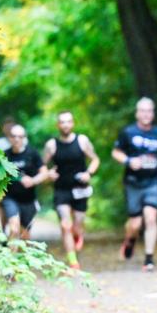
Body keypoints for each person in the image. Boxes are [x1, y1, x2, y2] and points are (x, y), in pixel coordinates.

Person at [111, 97, 157, 271]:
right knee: (135, 224)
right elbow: (116, 152)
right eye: (143, 111)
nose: (146, 114)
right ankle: (130, 239)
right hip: (133, 182)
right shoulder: (128, 132)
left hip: (153, 182)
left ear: (153, 113)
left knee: (151, 217)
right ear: (137, 113)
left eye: (149, 111)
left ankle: (148, 260)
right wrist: (128, 161)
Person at [43, 111, 100, 270]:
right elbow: (41, 165)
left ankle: (78, 234)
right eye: (62, 122)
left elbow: (95, 159)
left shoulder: (82, 141)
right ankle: (73, 261)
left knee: (76, 225)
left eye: (68, 121)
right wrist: (48, 174)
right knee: (65, 225)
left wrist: (89, 173)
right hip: (61, 190)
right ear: (58, 125)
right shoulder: (51, 145)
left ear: (73, 123)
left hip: (80, 189)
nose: (65, 124)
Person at [1, 124, 54, 241]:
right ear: (9, 138)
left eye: (20, 136)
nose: (16, 139)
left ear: (24, 138)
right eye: (13, 136)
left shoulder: (32, 153)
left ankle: (23, 258)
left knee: (24, 234)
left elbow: (44, 173)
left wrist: (33, 181)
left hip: (28, 200)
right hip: (10, 198)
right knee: (14, 229)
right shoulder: (4, 155)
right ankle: (11, 258)